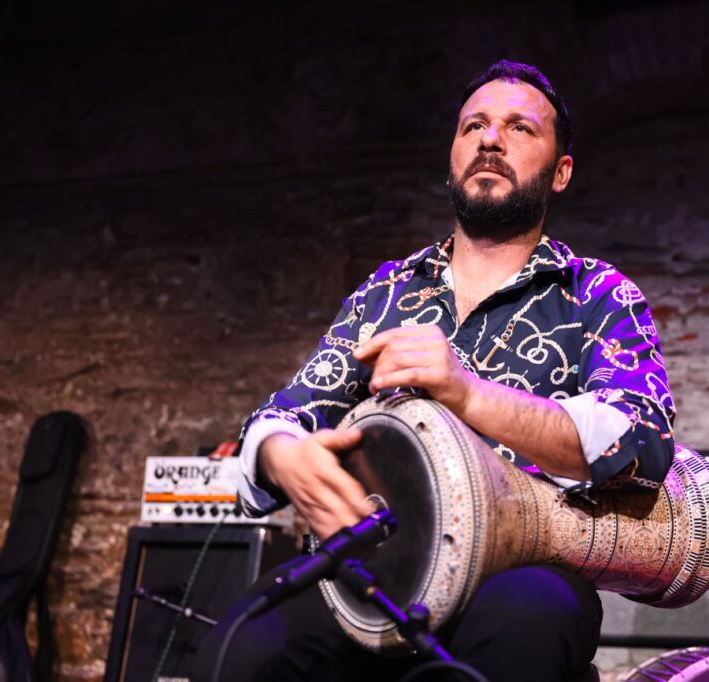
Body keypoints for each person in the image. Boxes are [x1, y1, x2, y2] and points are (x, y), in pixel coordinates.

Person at [194, 60, 676, 682]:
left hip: (523, 575)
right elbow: (290, 410)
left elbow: (640, 441)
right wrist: (281, 452)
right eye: (474, 125)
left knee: (527, 624)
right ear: (452, 158)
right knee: (239, 650)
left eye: (519, 128)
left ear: (561, 173)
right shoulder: (386, 291)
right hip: (378, 566)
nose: (490, 139)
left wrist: (470, 394)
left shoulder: (598, 294)